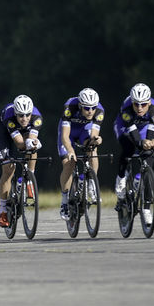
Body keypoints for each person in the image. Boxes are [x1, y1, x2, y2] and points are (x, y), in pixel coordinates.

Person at [113, 83, 154, 225]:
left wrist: (153, 143)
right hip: (124, 127)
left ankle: (146, 208)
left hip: (143, 127)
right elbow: (134, 135)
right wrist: (141, 143)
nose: (140, 108)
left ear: (149, 102)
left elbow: (151, 134)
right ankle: (121, 178)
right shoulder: (127, 108)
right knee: (129, 147)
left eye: (143, 104)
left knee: (148, 152)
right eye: (136, 104)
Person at [0, 94, 43, 227]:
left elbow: (31, 139)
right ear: (16, 113)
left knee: (32, 148)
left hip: (25, 132)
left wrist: (34, 143)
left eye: (27, 115)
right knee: (8, 169)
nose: (24, 119)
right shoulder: (9, 117)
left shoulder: (37, 118)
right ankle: (3, 209)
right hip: (5, 132)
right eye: (21, 115)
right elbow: (20, 144)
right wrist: (29, 143)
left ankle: (29, 179)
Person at [57, 87, 104, 220]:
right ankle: (65, 200)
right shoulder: (69, 107)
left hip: (84, 130)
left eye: (92, 108)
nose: (90, 111)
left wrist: (97, 140)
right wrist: (71, 151)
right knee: (69, 163)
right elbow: (65, 136)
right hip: (69, 133)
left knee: (92, 150)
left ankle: (91, 184)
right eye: (86, 108)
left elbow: (93, 136)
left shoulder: (99, 111)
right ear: (80, 105)